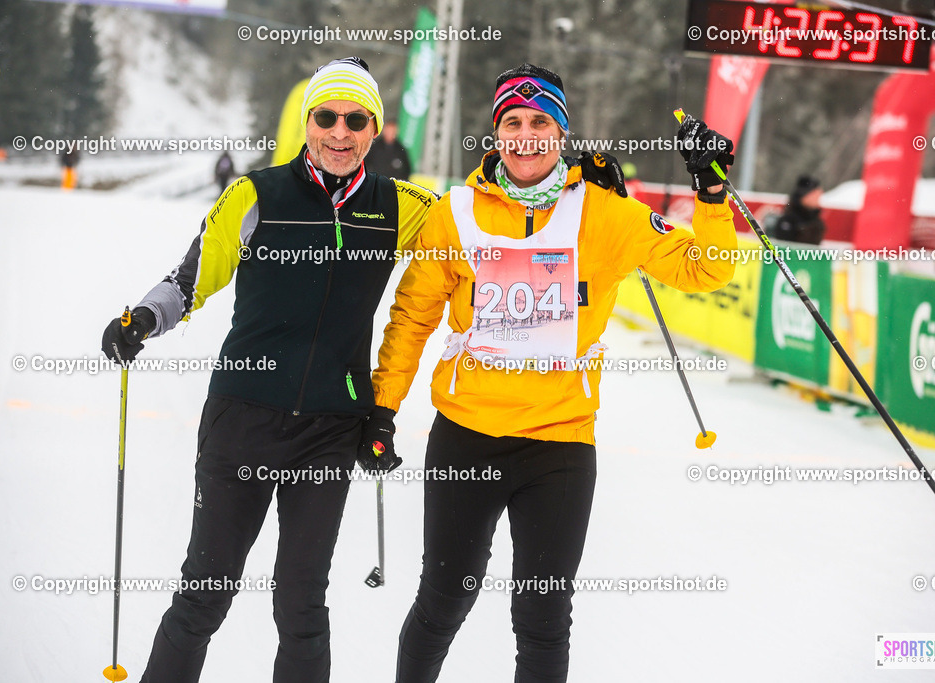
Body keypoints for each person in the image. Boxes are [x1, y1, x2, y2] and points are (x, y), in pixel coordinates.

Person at [364, 63, 737, 682]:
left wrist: (712, 194)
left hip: (560, 444)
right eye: (512, 121)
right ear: (497, 133)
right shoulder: (455, 214)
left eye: (541, 122)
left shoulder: (606, 213)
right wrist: (383, 409)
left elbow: (706, 268)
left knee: (542, 617)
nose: (526, 135)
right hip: (466, 436)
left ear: (561, 131)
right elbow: (412, 317)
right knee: (444, 601)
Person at [100, 56, 435, 682]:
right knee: (205, 594)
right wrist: (142, 318)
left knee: (302, 605)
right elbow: (192, 277)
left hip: (331, 428)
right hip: (243, 418)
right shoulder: (256, 194)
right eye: (326, 117)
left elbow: (485, 228)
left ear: (375, 129)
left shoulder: (404, 206)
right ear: (308, 123)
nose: (340, 132)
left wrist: (582, 188)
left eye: (356, 120)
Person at [772, 174, 825, 244]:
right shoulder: (788, 221)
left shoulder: (817, 222)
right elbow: (783, 247)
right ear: (805, 196)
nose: (818, 199)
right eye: (815, 195)